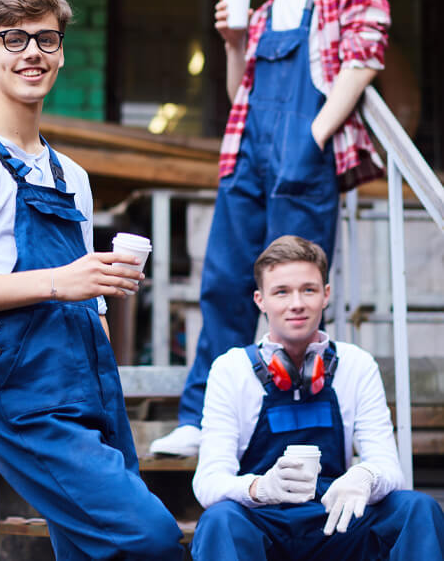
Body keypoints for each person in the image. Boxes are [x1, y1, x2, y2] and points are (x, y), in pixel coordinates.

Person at [0, 0, 185, 561]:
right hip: (24, 395)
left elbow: (88, 292)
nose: (33, 52)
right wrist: (64, 281)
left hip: (90, 385)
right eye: (13, 39)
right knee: (150, 537)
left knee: (92, 551)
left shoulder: (72, 176)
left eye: (47, 39)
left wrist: (100, 295)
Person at [151, 0, 391, 457]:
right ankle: (203, 419)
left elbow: (365, 58)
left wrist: (315, 133)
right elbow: (241, 93)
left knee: (295, 294)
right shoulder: (262, 8)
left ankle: (295, 425)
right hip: (249, 152)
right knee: (225, 282)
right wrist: (234, 42)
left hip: (306, 152)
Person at [190, 235, 444, 561]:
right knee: (220, 520)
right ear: (260, 300)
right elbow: (209, 481)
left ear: (325, 295)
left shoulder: (356, 364)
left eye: (308, 290)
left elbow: (388, 467)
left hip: (338, 521)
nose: (296, 303)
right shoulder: (231, 369)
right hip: (265, 524)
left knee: (416, 508)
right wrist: (261, 488)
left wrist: (364, 477)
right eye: (281, 292)